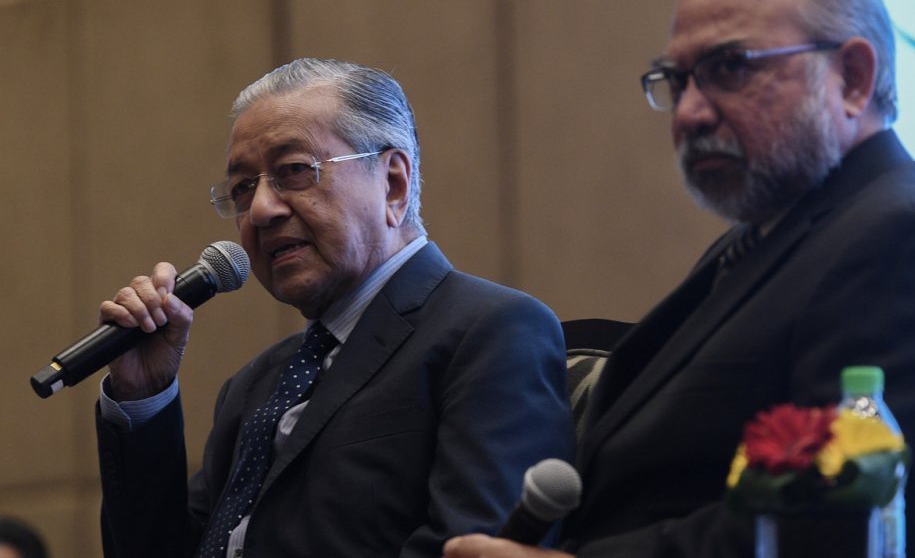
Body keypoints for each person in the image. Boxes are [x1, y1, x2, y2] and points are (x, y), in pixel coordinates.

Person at [444, 0, 915, 558]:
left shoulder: (905, 244)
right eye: (678, 80)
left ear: (851, 77)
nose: (689, 113)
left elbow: (830, 532)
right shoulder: (776, 234)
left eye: (730, 68)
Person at [94, 59, 575, 558]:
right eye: (242, 188)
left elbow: (476, 546)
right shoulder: (254, 384)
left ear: (393, 183)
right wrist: (144, 397)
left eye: (295, 171)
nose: (260, 210)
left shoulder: (490, 332)